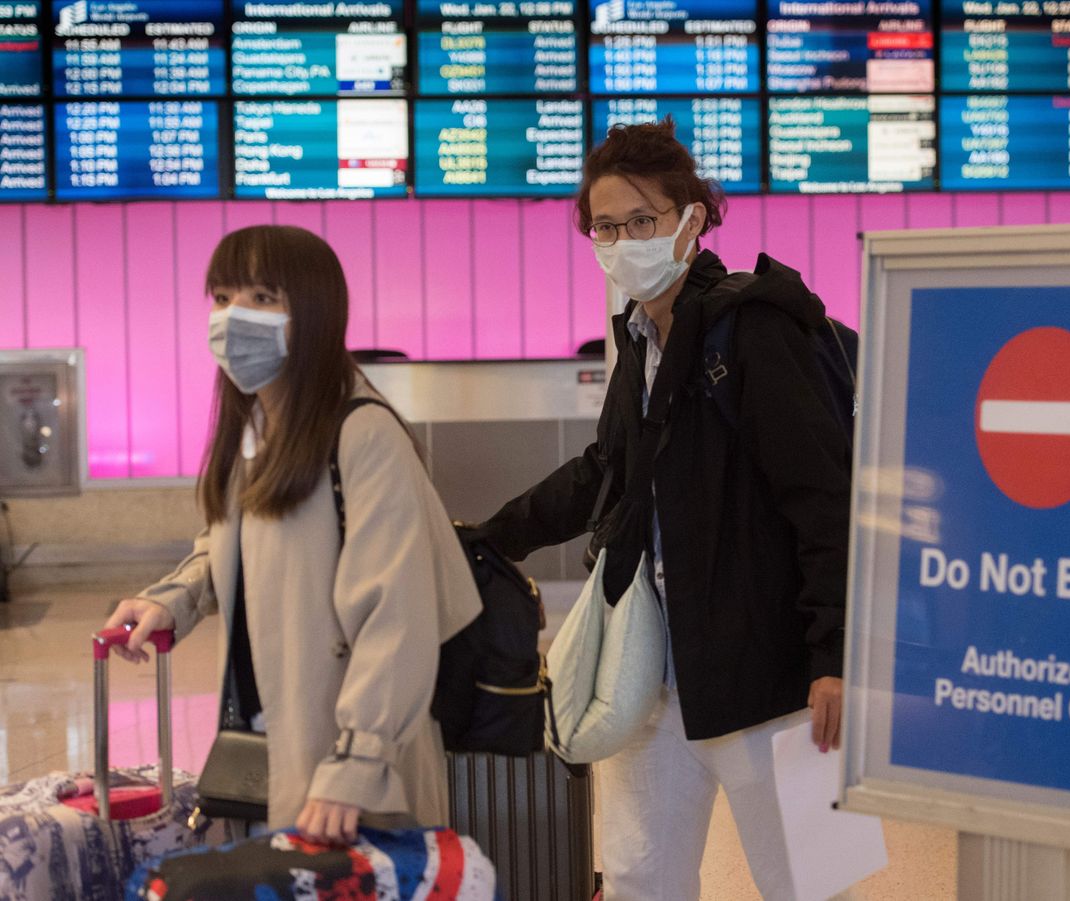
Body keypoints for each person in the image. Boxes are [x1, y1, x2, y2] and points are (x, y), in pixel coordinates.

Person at [472, 119, 852, 898]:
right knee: (644, 876)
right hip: (653, 669)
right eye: (605, 227)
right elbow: (605, 471)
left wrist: (835, 655)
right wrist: (486, 538)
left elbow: (821, 496)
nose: (622, 240)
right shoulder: (640, 337)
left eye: (640, 221)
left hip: (768, 672)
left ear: (692, 218)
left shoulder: (755, 328)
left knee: (809, 884)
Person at [103, 225, 481, 844]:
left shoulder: (362, 434)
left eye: (260, 297)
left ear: (312, 310)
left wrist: (357, 762)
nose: (231, 318)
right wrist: (172, 599)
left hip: (354, 762)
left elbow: (398, 616)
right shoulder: (255, 427)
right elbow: (231, 542)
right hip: (272, 733)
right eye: (222, 298)